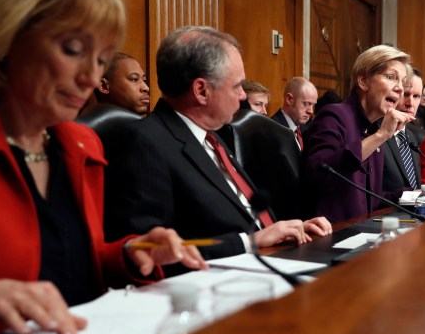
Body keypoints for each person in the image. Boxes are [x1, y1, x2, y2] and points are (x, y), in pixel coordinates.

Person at [0, 0, 206, 334]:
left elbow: (70, 265)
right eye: (72, 50)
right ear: (7, 36)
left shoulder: (81, 146)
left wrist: (130, 252)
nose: (90, 77)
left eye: (101, 60)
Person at [104, 26, 331, 259]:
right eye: (236, 86)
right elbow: (148, 251)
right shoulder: (144, 142)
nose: (243, 95)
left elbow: (246, 217)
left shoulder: (213, 137)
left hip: (272, 262)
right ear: (201, 90)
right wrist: (248, 242)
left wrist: (291, 230)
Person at [303, 45, 415, 223]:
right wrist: (380, 136)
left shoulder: (374, 127)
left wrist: (416, 194)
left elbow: (371, 199)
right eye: (391, 77)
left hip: (365, 230)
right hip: (333, 235)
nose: (400, 89)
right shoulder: (334, 115)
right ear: (363, 81)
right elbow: (320, 176)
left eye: (402, 82)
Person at [382, 68, 425, 197]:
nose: (411, 103)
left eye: (417, 96)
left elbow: (413, 188)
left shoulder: (411, 137)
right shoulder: (376, 134)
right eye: (406, 94)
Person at [271, 76, 318, 150]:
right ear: (289, 99)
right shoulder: (271, 131)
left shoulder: (307, 130)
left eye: (312, 105)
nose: (311, 111)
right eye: (306, 103)